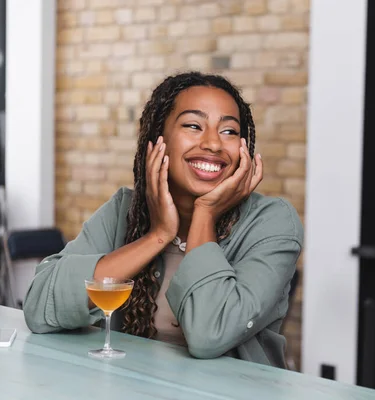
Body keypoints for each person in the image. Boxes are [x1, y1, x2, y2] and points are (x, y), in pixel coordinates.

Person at [23, 71, 304, 368]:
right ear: (159, 140)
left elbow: (210, 334)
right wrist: (158, 235)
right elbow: (41, 307)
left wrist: (205, 214)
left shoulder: (273, 224)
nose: (213, 144)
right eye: (194, 126)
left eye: (229, 131)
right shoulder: (124, 210)